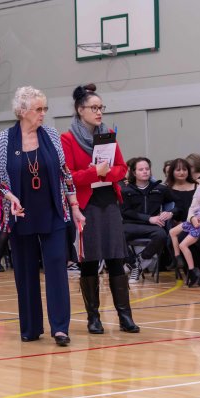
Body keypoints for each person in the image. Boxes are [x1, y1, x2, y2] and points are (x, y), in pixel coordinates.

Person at [0, 86, 84, 346]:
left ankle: (60, 328)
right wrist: (10, 197)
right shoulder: (3, 139)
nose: (43, 113)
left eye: (45, 109)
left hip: (53, 211)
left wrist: (75, 206)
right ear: (22, 111)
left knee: (56, 267)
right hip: (20, 213)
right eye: (38, 109)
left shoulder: (51, 135)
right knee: (25, 271)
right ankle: (31, 327)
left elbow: (65, 173)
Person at [61, 83, 139, 335]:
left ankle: (125, 316)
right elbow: (69, 176)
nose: (99, 112)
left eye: (101, 107)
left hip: (109, 202)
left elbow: (121, 168)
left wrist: (105, 174)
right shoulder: (67, 138)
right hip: (86, 205)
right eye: (94, 108)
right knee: (90, 260)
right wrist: (95, 172)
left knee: (117, 258)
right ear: (80, 110)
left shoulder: (108, 134)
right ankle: (93, 317)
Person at [121, 157, 178, 283]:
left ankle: (139, 262)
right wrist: (148, 218)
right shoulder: (126, 190)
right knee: (116, 234)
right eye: (141, 169)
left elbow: (178, 205)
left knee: (162, 234)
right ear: (134, 172)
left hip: (154, 227)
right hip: (131, 224)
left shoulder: (161, 189)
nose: (145, 171)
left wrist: (170, 213)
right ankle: (132, 263)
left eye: (147, 169)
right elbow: (125, 211)